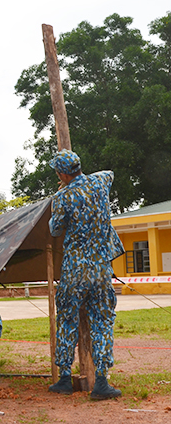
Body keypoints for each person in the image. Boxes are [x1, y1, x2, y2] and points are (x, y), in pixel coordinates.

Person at [47, 149, 124, 400]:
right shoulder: (101, 181)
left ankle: (64, 380)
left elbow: (55, 230)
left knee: (67, 320)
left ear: (61, 174)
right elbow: (110, 173)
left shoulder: (62, 197)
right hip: (101, 267)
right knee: (102, 322)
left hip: (74, 270)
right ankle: (101, 381)